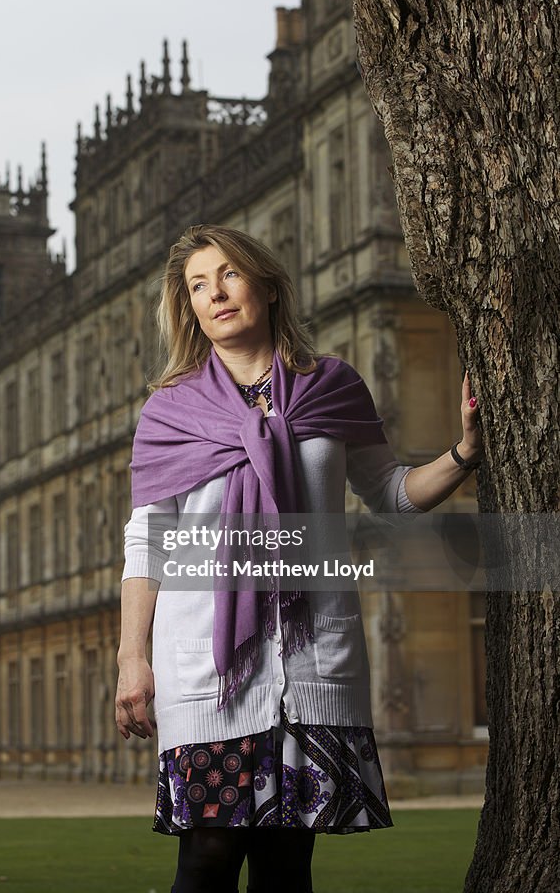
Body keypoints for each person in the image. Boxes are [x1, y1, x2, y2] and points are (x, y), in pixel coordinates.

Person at [115, 224, 483, 893]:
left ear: (265, 284)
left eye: (227, 274)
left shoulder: (333, 387)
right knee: (206, 859)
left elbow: (391, 496)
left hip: (312, 665)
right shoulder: (170, 411)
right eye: (198, 285)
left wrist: (463, 451)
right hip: (207, 669)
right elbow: (148, 541)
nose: (215, 293)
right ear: (188, 309)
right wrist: (130, 659)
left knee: (288, 870)